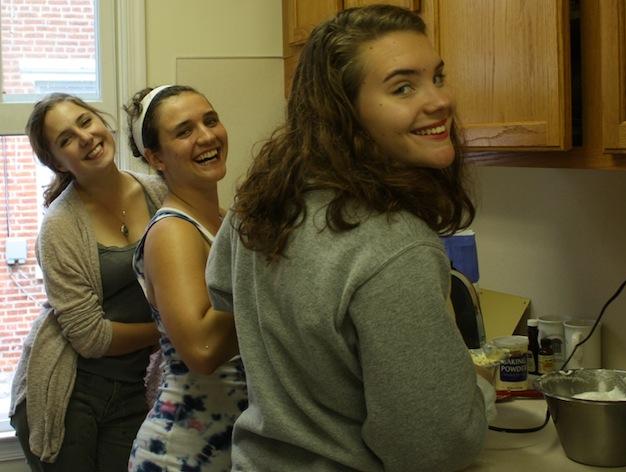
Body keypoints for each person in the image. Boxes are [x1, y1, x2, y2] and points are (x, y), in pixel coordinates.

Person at [205, 5, 487, 472]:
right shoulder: (395, 247)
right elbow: (434, 448)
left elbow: (224, 294)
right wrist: (478, 392)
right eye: (403, 87)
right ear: (343, 112)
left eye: (437, 76)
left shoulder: (261, 205)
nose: (439, 100)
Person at [8, 93, 167, 471]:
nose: (84, 137)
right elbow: (90, 337)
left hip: (134, 387)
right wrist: (169, 331)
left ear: (101, 121)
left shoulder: (158, 191)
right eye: (65, 139)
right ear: (56, 162)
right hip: (68, 390)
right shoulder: (59, 227)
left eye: (84, 121)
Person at [123, 85, 248, 472]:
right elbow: (204, 350)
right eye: (184, 131)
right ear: (156, 157)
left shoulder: (228, 220)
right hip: (181, 454)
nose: (207, 136)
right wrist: (265, 280)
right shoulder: (173, 232)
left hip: (231, 443)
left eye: (210, 120)